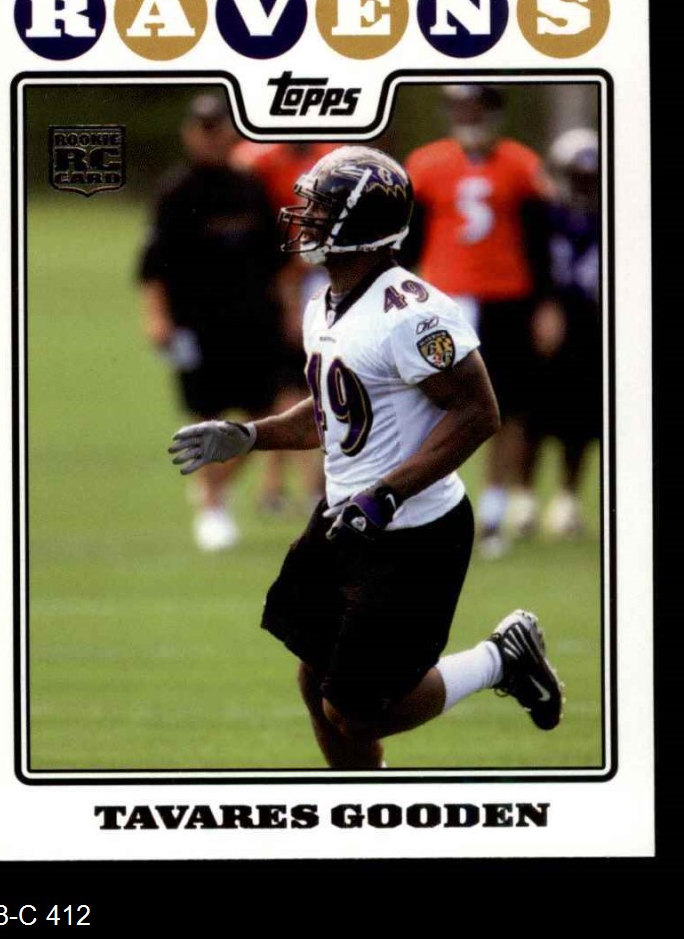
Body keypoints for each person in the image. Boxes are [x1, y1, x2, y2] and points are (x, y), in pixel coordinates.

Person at [168, 146, 564, 769]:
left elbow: (477, 412)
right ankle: (363, 801)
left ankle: (501, 659)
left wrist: (387, 494)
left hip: (413, 534)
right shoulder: (323, 301)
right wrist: (250, 437)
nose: (304, 217)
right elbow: (337, 412)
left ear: (362, 224)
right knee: (314, 677)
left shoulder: (410, 313)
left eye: (321, 209)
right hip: (345, 518)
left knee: (357, 709)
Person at [402, 85, 555, 557]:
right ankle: (425, 504)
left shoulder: (522, 165)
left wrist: (546, 304)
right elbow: (407, 242)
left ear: (492, 112)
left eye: (474, 107)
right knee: (423, 405)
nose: (466, 116)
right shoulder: (427, 164)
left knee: (506, 408)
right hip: (443, 300)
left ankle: (492, 510)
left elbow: (540, 241)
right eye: (459, 107)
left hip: (506, 299)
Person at [138, 92, 283, 551]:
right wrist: (157, 317)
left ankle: (213, 487)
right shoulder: (175, 192)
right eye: (203, 129)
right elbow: (153, 264)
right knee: (206, 418)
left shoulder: (251, 187)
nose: (211, 138)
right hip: (197, 324)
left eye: (218, 129)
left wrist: (289, 310)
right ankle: (213, 508)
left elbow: (275, 259)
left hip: (253, 321)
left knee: (264, 416)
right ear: (189, 134)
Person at [231, 141, 340, 511]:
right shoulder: (256, 160)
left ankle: (288, 484)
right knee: (290, 385)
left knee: (303, 383)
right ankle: (293, 484)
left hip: (318, 275)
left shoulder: (332, 155)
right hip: (277, 282)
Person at [529, 127, 601, 536]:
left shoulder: (608, 217)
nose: (584, 186)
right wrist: (543, 305)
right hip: (547, 319)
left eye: (590, 179)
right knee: (535, 413)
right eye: (578, 178)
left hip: (590, 324)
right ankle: (523, 497)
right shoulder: (542, 215)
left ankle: (567, 500)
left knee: (583, 417)